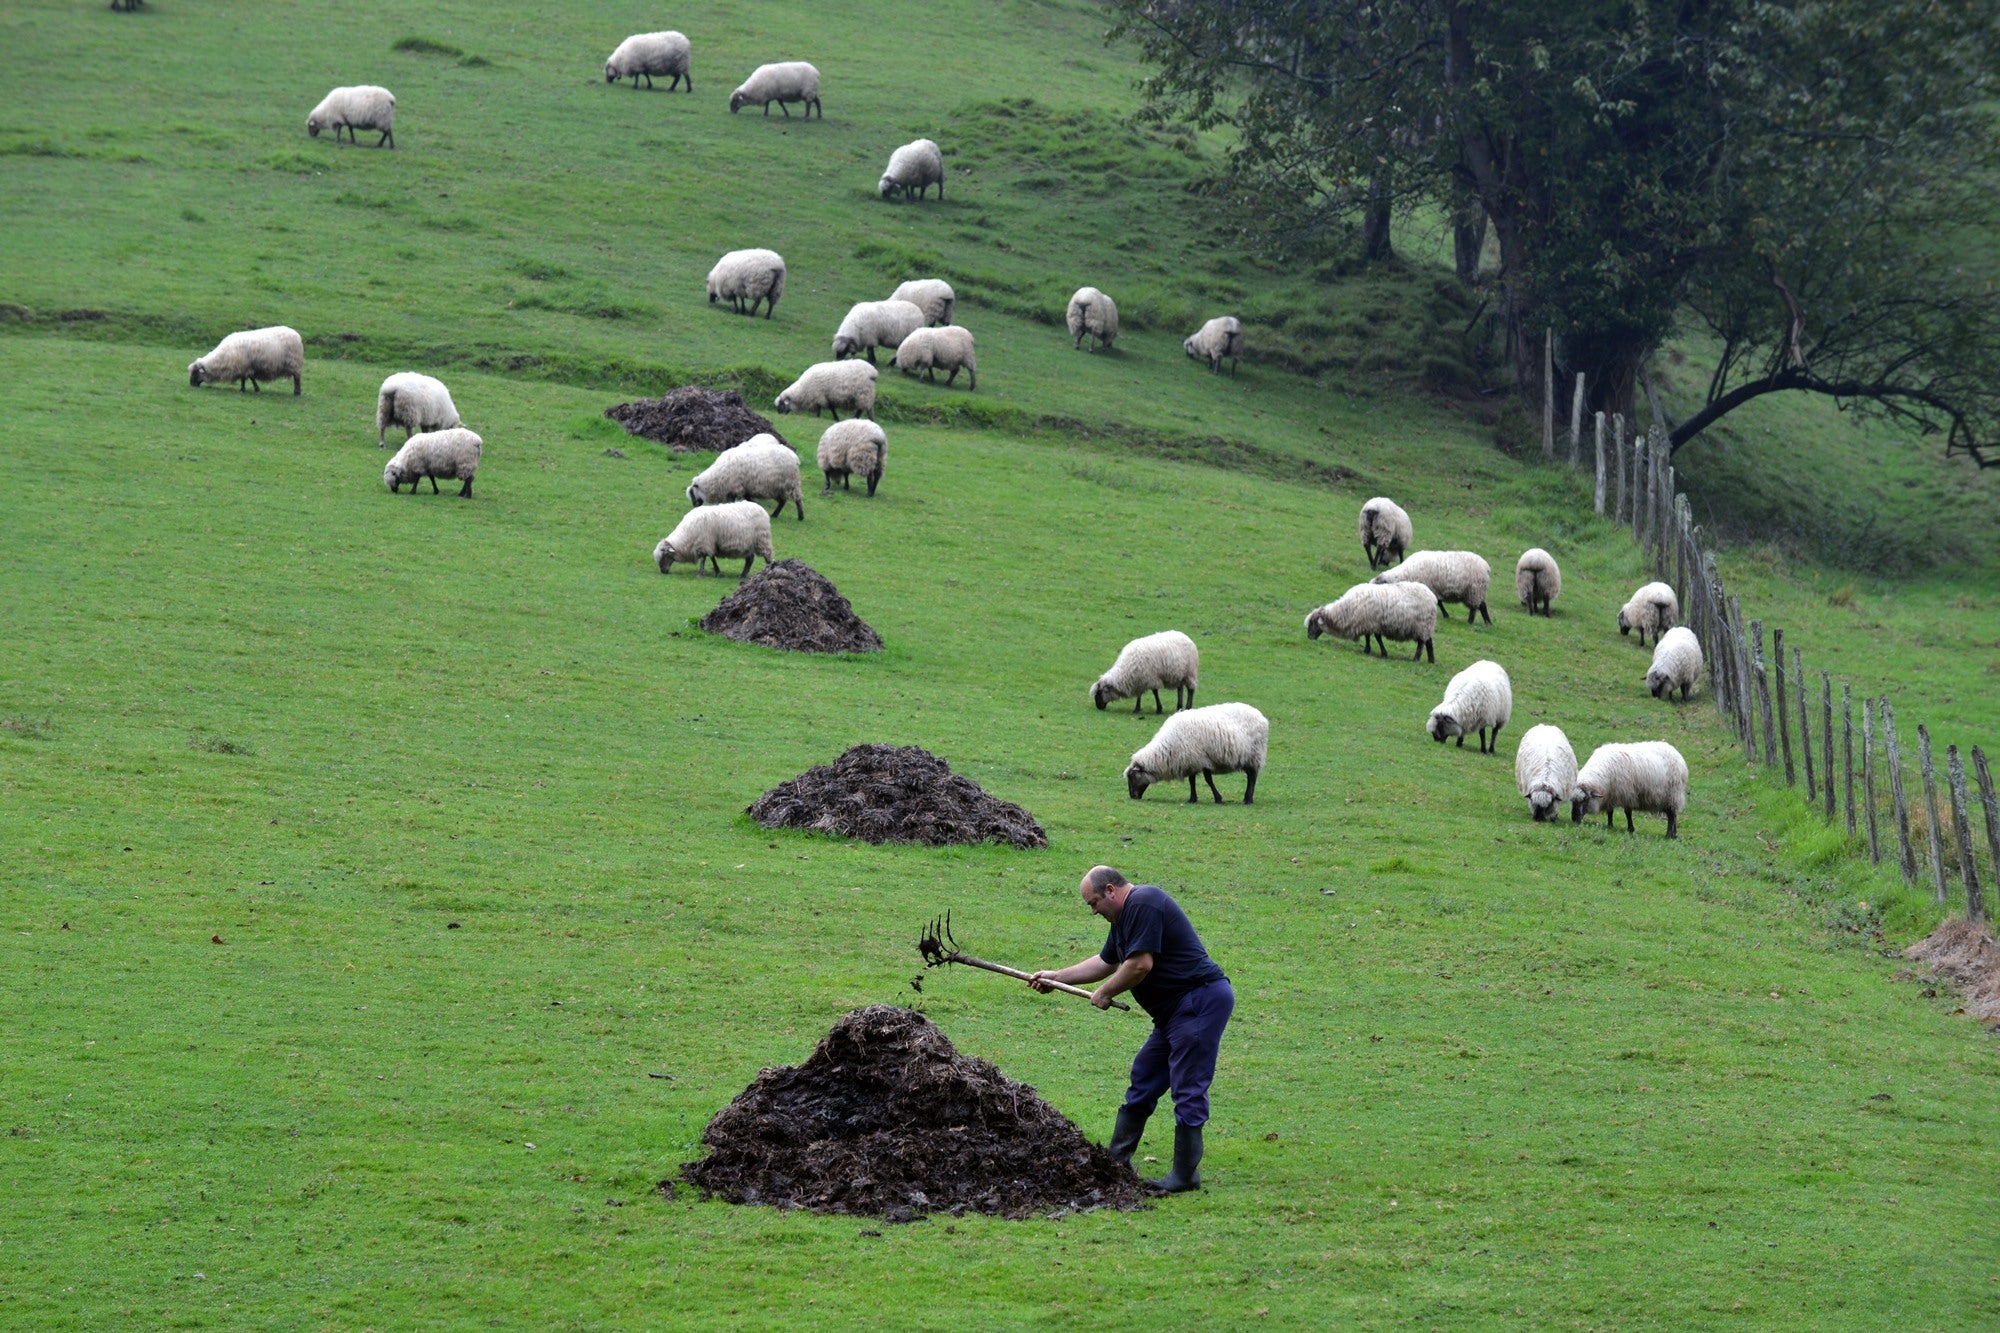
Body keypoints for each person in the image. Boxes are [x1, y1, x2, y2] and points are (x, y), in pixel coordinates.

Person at [1028, 864, 1234, 1193]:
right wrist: (1056, 977)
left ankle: (1184, 1176)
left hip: (1199, 1002)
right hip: (1173, 1013)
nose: (1094, 911)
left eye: (1094, 903)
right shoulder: (1124, 919)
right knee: (1144, 1077)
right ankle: (1115, 1163)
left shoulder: (1144, 902)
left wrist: (1107, 992)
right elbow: (1107, 961)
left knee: (1187, 1087)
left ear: (1111, 890)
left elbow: (1139, 965)